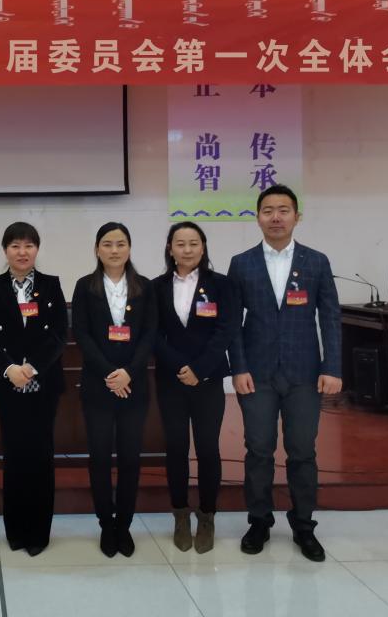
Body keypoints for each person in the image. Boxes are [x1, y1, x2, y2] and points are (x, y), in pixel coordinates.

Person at [227, 184, 341, 562]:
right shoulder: (241, 263)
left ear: (297, 216)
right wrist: (238, 367)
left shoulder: (316, 262)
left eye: (283, 210)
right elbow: (232, 323)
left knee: (302, 451)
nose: (276, 217)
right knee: (258, 450)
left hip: (304, 374)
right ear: (257, 217)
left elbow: (330, 317)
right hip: (256, 374)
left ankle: (303, 525)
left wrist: (332, 367)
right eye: (268, 211)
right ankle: (259, 521)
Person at [0, 221, 67, 556]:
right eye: (15, 245)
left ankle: (39, 533)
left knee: (41, 456)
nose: (22, 252)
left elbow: (59, 333)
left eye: (28, 245)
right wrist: (10, 369)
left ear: (37, 249)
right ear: (5, 250)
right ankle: (15, 531)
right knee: (14, 455)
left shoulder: (51, 284)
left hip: (43, 382)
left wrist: (31, 368)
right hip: (7, 384)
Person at [152, 222, 238, 554]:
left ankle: (207, 515)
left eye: (193, 243)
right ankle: (179, 514)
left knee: (207, 448)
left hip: (208, 379)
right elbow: (153, 334)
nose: (187, 249)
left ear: (203, 247)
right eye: (180, 243)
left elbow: (226, 330)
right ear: (170, 249)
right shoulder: (156, 287)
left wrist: (199, 370)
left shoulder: (221, 285)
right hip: (171, 380)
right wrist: (180, 367)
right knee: (175, 447)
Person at [71, 222, 156, 558]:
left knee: (131, 458)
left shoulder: (144, 287)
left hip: (134, 386)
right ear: (97, 249)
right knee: (100, 458)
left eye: (121, 243)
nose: (114, 250)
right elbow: (82, 333)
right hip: (98, 386)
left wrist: (128, 373)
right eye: (107, 244)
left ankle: (124, 525)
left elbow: (149, 334)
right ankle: (106, 524)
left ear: (129, 248)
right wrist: (110, 373)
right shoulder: (85, 286)